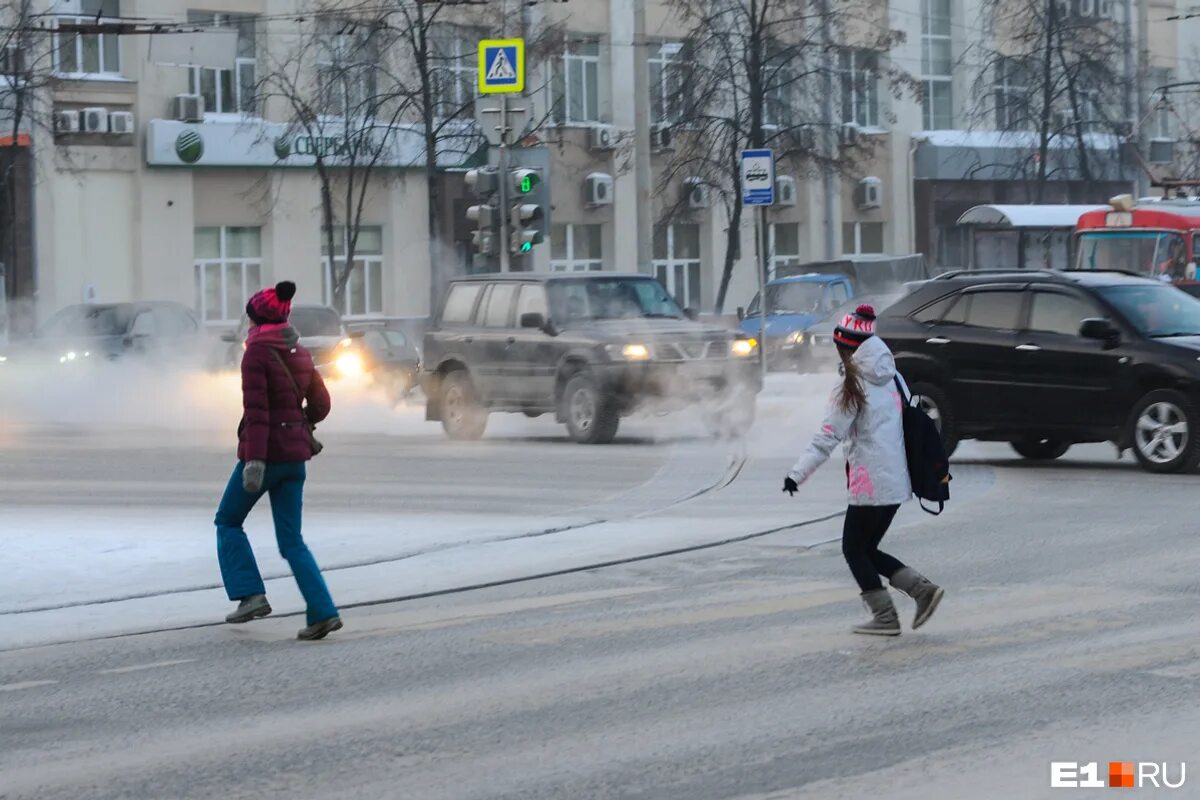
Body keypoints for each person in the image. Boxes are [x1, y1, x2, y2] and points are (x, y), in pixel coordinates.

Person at [782, 305, 943, 636]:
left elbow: (827, 437)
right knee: (867, 549)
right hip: (897, 480)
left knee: (853, 549)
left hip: (870, 483)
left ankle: (885, 617)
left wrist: (797, 474)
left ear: (846, 347)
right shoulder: (893, 376)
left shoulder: (851, 386)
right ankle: (921, 590)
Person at [214, 280, 343, 641]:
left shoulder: (256, 353)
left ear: (258, 319)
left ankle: (250, 594)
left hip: (265, 456)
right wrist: (300, 425)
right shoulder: (298, 351)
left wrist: (254, 461)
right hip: (294, 458)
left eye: (251, 318)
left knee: (227, 520)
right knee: (292, 542)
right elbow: (322, 404)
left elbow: (257, 413)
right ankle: (323, 612)